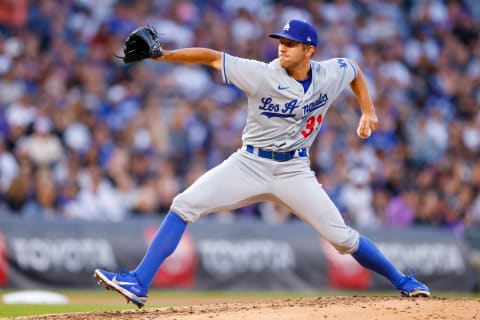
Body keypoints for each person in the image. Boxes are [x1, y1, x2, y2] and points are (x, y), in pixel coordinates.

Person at [94, 19, 430, 308]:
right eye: (281, 42)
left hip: (295, 171)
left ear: (309, 50)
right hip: (250, 164)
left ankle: (403, 281)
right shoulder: (261, 74)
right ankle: (139, 282)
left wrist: (368, 110)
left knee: (342, 239)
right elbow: (212, 58)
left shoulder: (329, 73)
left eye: (291, 44)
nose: (283, 48)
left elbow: (354, 70)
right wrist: (163, 55)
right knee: (184, 204)